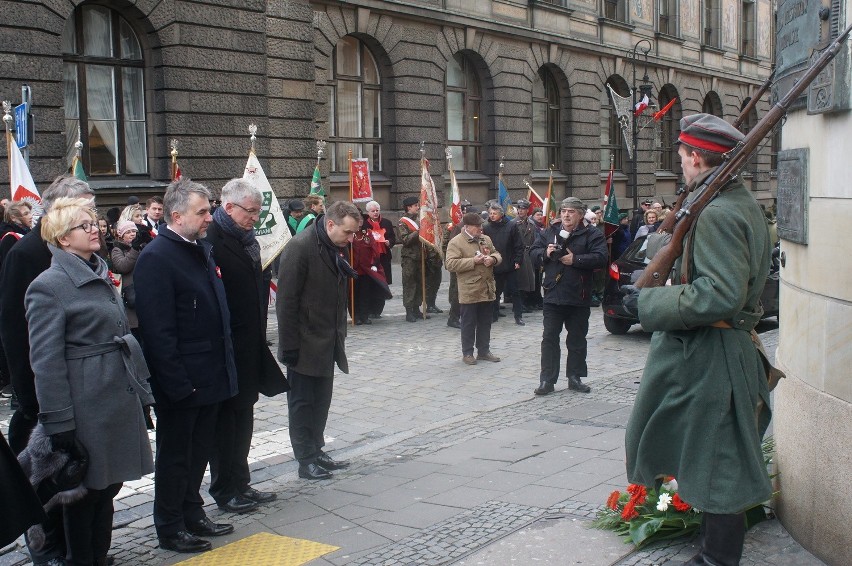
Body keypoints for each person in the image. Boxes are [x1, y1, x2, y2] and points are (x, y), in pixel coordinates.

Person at [623, 114, 772, 566]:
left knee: (720, 466)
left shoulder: (721, 215)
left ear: (695, 157)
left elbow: (719, 294)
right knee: (708, 459)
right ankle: (709, 554)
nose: (681, 164)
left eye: (683, 156)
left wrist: (648, 305)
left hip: (714, 355)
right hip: (712, 353)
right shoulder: (731, 203)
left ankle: (715, 560)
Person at [25, 197, 154, 566]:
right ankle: (82, 559)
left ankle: (100, 555)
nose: (94, 228)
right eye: (84, 226)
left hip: (115, 394)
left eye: (94, 222)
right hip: (86, 403)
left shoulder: (96, 268)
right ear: (63, 239)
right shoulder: (48, 285)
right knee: (86, 491)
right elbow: (45, 361)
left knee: (109, 485)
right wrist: (59, 421)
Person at [134, 178, 239, 554]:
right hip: (183, 381)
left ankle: (193, 513)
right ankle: (170, 524)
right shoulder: (157, 257)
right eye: (203, 211)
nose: (210, 217)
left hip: (210, 373)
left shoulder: (200, 248)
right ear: (176, 216)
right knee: (176, 457)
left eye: (209, 209)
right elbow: (159, 333)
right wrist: (177, 384)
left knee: (198, 453)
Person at [204, 179, 288, 514]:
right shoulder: (212, 241)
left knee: (244, 420)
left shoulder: (248, 240)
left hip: (250, 344)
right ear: (229, 207)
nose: (254, 217)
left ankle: (242, 482)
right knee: (226, 424)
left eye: (257, 211)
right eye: (250, 211)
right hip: (227, 348)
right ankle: (225, 489)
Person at [277, 200, 360, 480]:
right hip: (303, 341)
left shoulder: (332, 245)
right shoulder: (300, 247)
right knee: (302, 403)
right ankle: (305, 459)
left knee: (322, 399)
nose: (350, 239)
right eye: (347, 233)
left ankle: (317, 449)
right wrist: (289, 346)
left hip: (328, 338)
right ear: (331, 224)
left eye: (353, 234)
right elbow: (286, 302)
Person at [529, 197, 607, 396]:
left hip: (578, 295)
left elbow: (601, 258)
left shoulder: (592, 233)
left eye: (571, 211)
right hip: (553, 293)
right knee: (549, 338)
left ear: (580, 214)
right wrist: (545, 253)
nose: (566, 214)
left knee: (577, 339)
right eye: (564, 211)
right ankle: (547, 380)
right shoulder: (551, 231)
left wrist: (576, 259)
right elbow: (533, 253)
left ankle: (575, 377)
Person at [445, 212, 502, 365]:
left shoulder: (485, 239)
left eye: (480, 225)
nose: (480, 228)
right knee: (468, 323)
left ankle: (484, 351)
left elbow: (497, 253)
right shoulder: (456, 242)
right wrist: (472, 261)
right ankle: (468, 353)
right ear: (467, 227)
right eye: (477, 226)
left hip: (486, 287)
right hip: (469, 289)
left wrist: (493, 259)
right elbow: (450, 264)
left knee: (485, 321)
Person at [399, 196, 443, 322]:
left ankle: (416, 308)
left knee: (420, 284)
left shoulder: (419, 220)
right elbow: (405, 240)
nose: (418, 208)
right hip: (410, 258)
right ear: (409, 207)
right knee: (410, 284)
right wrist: (418, 231)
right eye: (415, 206)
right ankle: (409, 311)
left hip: (421, 256)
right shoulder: (403, 222)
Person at [483, 203, 524, 325]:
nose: (492, 215)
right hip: (494, 265)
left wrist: (518, 260)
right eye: (490, 213)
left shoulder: (511, 226)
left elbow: (518, 245)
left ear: (501, 214)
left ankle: (518, 316)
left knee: (515, 292)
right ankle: (493, 315)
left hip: (510, 264)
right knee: (495, 292)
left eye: (494, 213)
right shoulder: (486, 227)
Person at [513, 200, 537, 313]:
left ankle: (524, 302)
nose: (520, 211)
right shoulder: (513, 223)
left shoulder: (532, 224)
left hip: (529, 253)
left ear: (528, 210)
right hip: (519, 254)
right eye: (519, 209)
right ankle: (518, 305)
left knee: (528, 280)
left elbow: (534, 240)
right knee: (519, 280)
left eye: (523, 209)